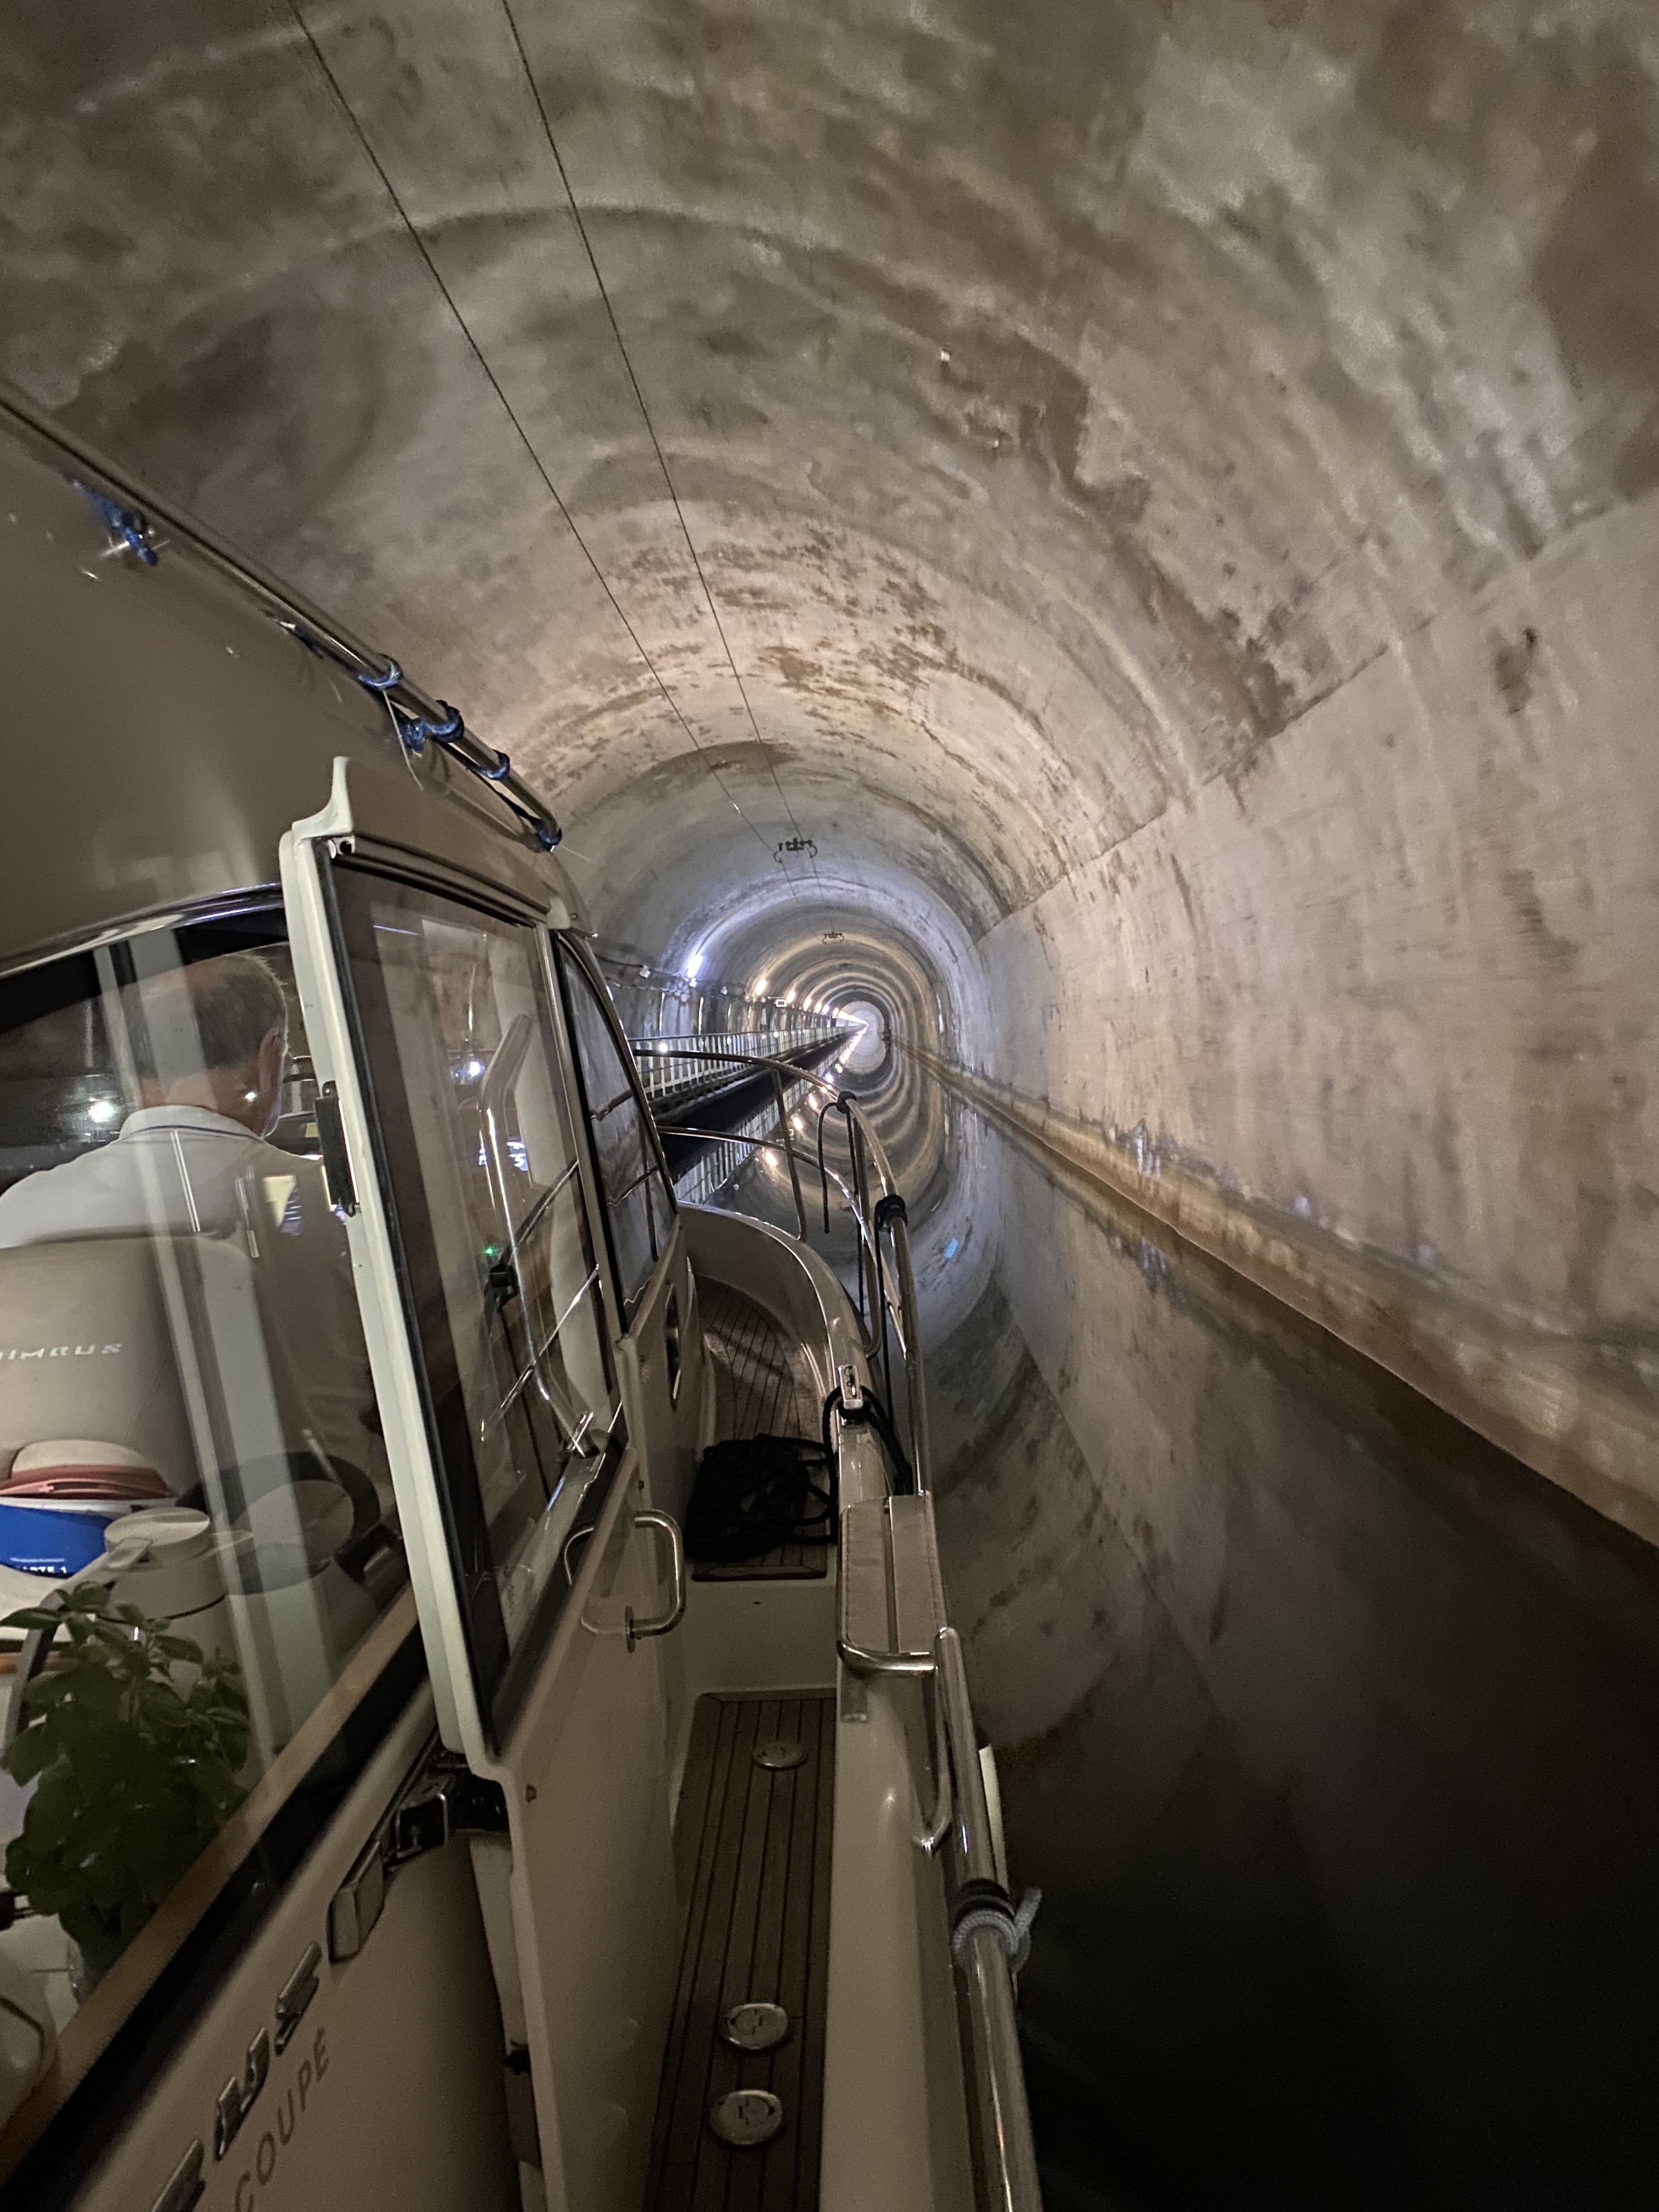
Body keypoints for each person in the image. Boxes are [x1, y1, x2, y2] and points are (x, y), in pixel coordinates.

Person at [0, 952, 383, 1504]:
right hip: (322, 1521)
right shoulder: (339, 1206)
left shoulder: (19, 1212)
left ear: (130, 1068)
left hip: (74, 1531)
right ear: (270, 1056)